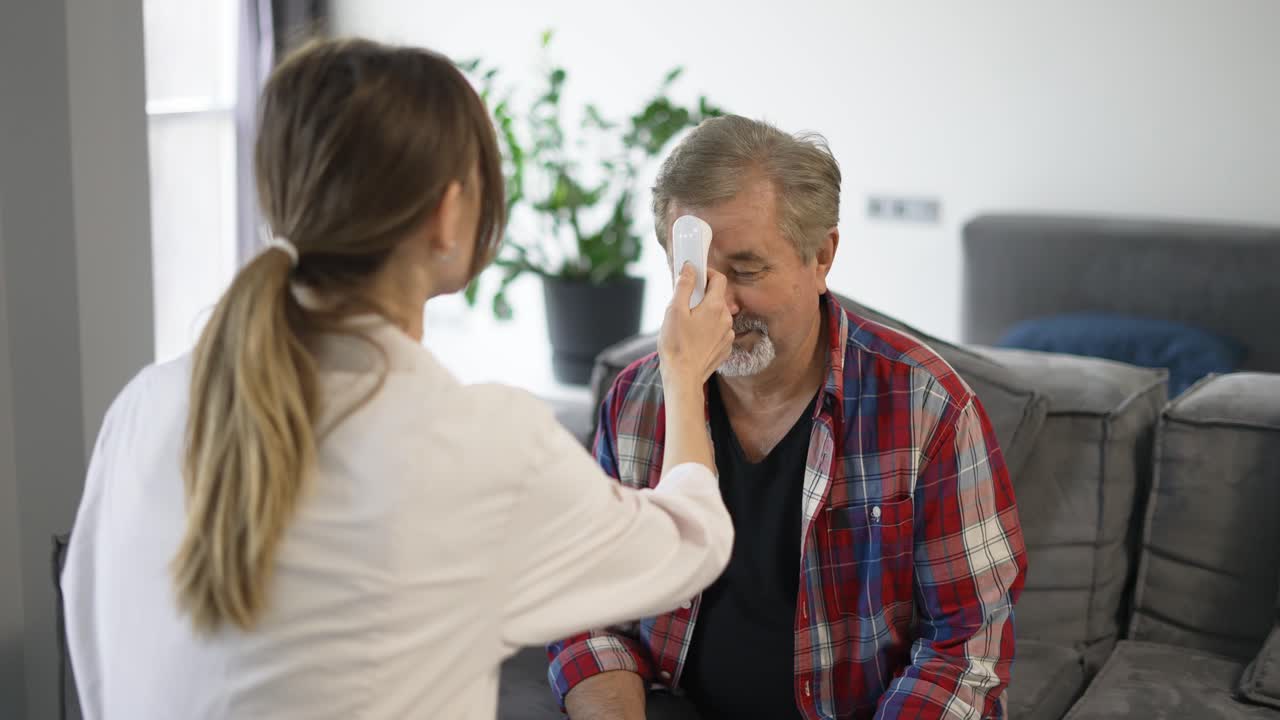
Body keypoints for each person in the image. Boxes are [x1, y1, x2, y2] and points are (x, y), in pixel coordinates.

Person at [61, 38, 737, 720]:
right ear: (447, 213)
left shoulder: (143, 406)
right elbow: (691, 543)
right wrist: (683, 372)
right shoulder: (479, 445)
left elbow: (92, 643)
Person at [549, 116, 1027, 720]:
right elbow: (590, 609)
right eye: (692, 273)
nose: (716, 306)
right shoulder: (637, 402)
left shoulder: (928, 410)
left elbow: (965, 651)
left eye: (747, 271)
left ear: (822, 255)